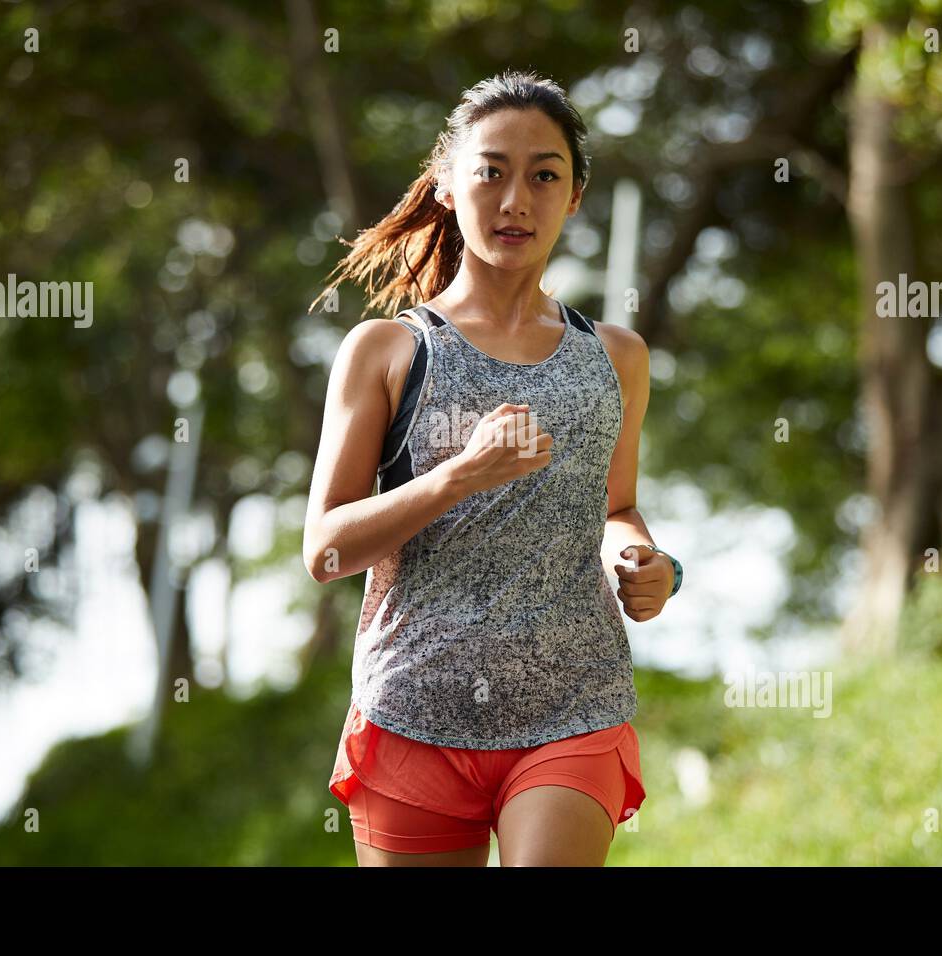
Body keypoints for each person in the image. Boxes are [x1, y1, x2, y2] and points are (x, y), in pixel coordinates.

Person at [303, 69, 683, 867]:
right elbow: (326, 551)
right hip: (413, 710)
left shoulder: (617, 357)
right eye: (491, 171)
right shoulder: (388, 351)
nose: (516, 201)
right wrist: (458, 477)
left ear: (574, 196)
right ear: (446, 185)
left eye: (545, 176)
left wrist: (646, 563)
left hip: (574, 706)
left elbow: (617, 507)